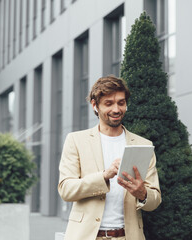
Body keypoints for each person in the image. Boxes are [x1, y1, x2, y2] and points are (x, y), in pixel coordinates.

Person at [58, 75, 161, 240]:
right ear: (95, 105)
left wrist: (143, 193)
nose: (116, 109)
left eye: (121, 103)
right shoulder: (76, 141)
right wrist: (103, 176)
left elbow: (155, 199)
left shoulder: (143, 145)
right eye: (108, 103)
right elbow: (66, 190)